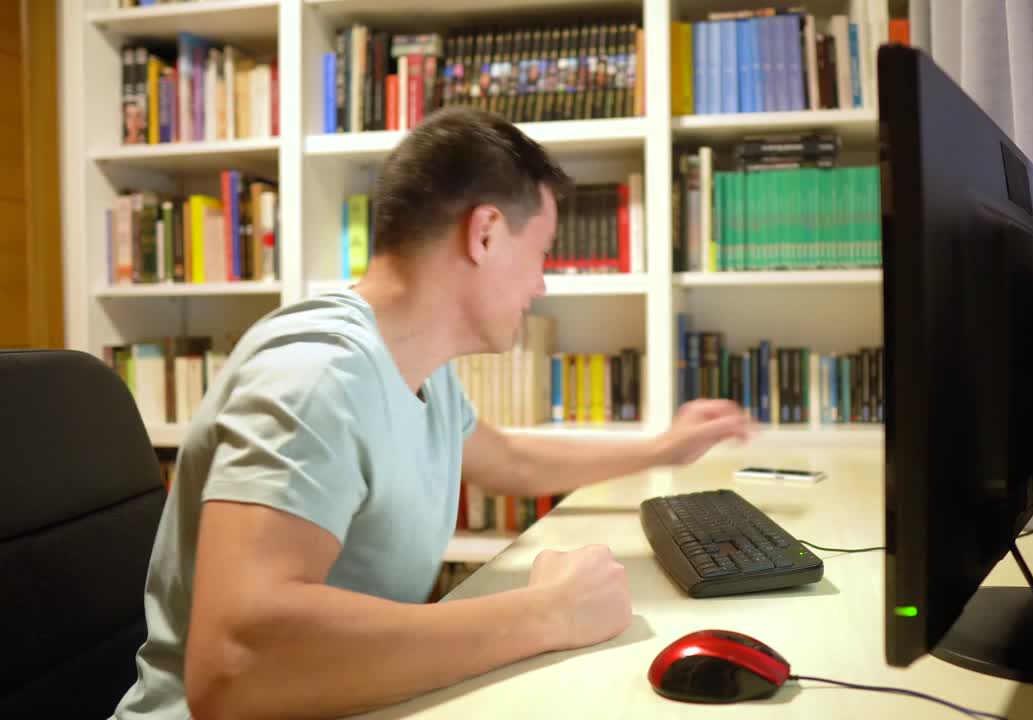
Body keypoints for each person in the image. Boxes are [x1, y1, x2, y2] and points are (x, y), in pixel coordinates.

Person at [112, 106, 752, 720]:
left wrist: (662, 448)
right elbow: (231, 669)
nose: (541, 284)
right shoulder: (315, 377)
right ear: (485, 233)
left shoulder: (420, 370)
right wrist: (549, 612)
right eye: (541, 254)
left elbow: (511, 459)